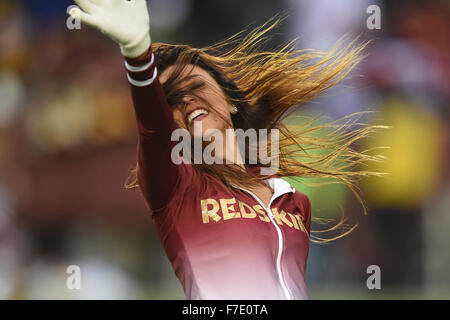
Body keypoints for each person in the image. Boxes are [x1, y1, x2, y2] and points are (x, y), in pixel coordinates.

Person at [69, 0, 382, 299]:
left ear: (230, 102)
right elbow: (152, 127)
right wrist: (137, 55)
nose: (187, 101)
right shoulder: (178, 189)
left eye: (195, 88)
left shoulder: (293, 201)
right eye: (172, 101)